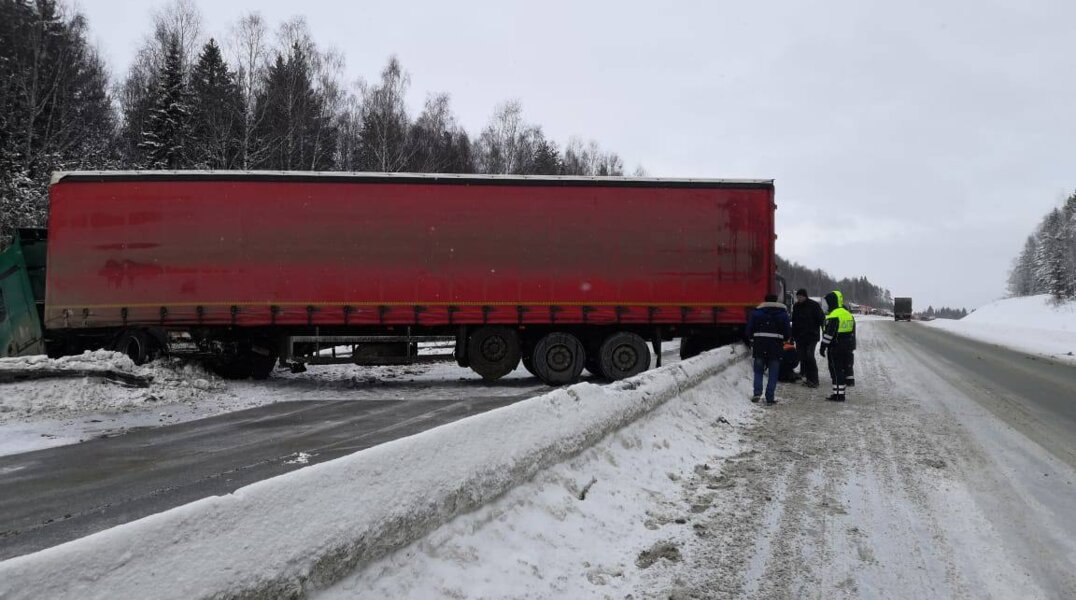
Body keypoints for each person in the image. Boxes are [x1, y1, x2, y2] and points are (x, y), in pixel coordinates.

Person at [745, 294, 791, 405]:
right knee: (773, 372)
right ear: (776, 301)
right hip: (775, 346)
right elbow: (788, 332)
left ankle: (757, 393)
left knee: (758, 371)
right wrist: (784, 338)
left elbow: (749, 330)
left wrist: (751, 339)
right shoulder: (783, 314)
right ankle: (770, 397)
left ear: (765, 300)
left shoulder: (757, 313)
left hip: (760, 345)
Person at [819, 290, 856, 402]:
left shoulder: (834, 315)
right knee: (843, 370)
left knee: (836, 370)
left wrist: (823, 346)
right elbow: (853, 332)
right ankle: (841, 393)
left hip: (836, 347)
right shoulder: (848, 314)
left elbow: (829, 334)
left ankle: (838, 395)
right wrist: (852, 346)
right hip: (847, 346)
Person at [790, 288, 825, 388]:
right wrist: (792, 336)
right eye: (798, 297)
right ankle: (807, 378)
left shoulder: (814, 305)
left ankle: (814, 380)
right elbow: (794, 322)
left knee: (810, 356)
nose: (799, 298)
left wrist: (819, 328)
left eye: (801, 296)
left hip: (811, 336)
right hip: (800, 336)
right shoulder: (796, 306)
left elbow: (821, 318)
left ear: (805, 296)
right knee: (802, 357)